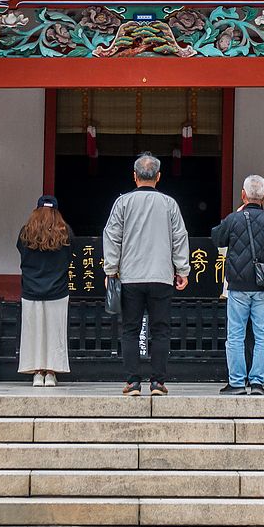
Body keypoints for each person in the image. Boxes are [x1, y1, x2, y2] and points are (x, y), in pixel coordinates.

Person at [102, 152, 189, 396]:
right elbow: (179, 237)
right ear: (158, 176)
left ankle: (133, 382)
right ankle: (158, 382)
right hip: (161, 275)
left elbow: (112, 237)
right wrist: (182, 269)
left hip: (131, 276)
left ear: (134, 176)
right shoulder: (169, 204)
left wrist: (111, 270)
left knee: (130, 329)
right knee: (161, 329)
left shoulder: (123, 203)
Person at [210, 174, 264, 395]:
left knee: (235, 335)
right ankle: (257, 382)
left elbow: (217, 238)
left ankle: (237, 382)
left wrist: (236, 213)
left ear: (243, 195)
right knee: (263, 334)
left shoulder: (233, 219)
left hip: (238, 286)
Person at [16, 195, 73, 387]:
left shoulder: (26, 232)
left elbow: (22, 253)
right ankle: (51, 373)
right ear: (56, 211)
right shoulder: (65, 232)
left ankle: (37, 372)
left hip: (31, 288)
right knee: (55, 332)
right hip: (58, 289)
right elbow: (69, 256)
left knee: (33, 332)